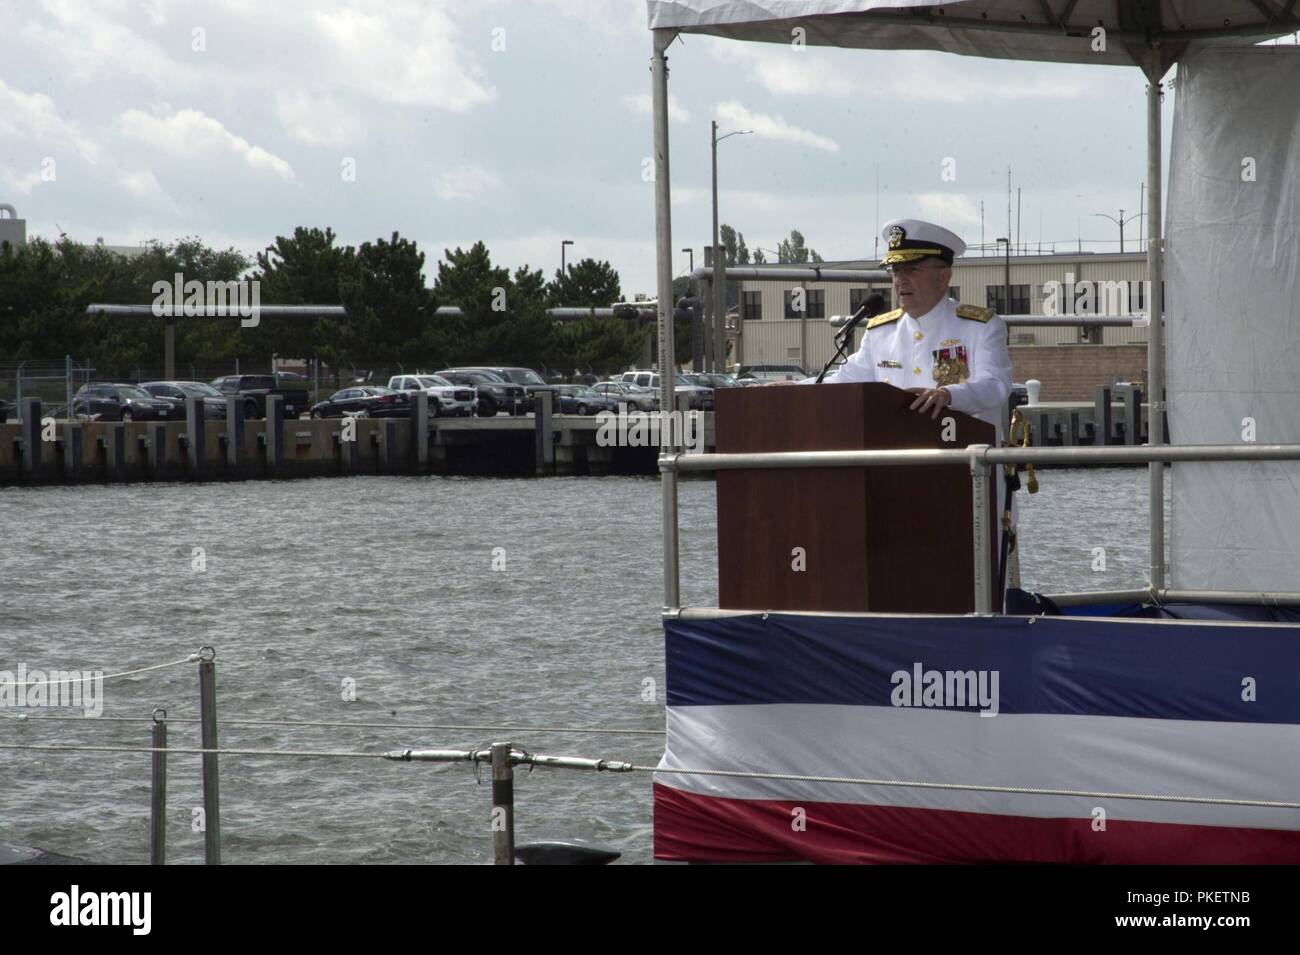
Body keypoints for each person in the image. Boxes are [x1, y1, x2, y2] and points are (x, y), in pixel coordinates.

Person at [831, 218, 1013, 443]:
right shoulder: (880, 333)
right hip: (897, 463)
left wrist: (948, 395)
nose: (901, 280)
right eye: (896, 270)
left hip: (964, 465)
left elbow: (995, 385)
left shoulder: (981, 327)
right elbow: (842, 381)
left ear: (943, 276)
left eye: (912, 269)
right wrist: (790, 388)